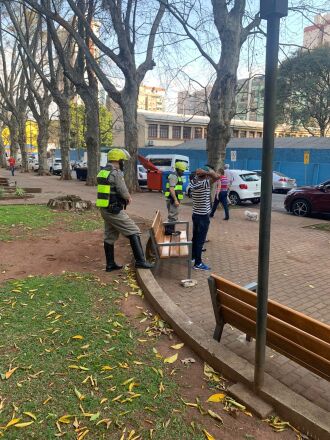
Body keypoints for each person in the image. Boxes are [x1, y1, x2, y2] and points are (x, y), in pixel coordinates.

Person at [96, 148, 153, 272]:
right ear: (118, 160)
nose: (123, 163)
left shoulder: (103, 171)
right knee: (134, 231)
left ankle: (110, 264)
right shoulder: (115, 173)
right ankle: (140, 261)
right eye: (122, 160)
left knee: (110, 236)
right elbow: (122, 190)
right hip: (114, 210)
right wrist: (128, 198)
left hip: (105, 208)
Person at [190, 166, 219, 271]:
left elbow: (211, 177)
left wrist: (201, 173)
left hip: (196, 214)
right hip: (203, 216)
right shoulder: (204, 184)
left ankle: (193, 257)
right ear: (206, 176)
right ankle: (198, 263)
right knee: (200, 241)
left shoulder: (193, 182)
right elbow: (216, 177)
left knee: (195, 238)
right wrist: (208, 172)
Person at [164, 161, 187, 235]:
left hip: (174, 199)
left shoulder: (177, 176)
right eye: (182, 170)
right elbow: (171, 188)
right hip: (172, 199)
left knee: (173, 215)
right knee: (172, 216)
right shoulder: (174, 176)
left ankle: (171, 231)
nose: (183, 172)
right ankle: (169, 232)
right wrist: (175, 200)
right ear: (178, 169)